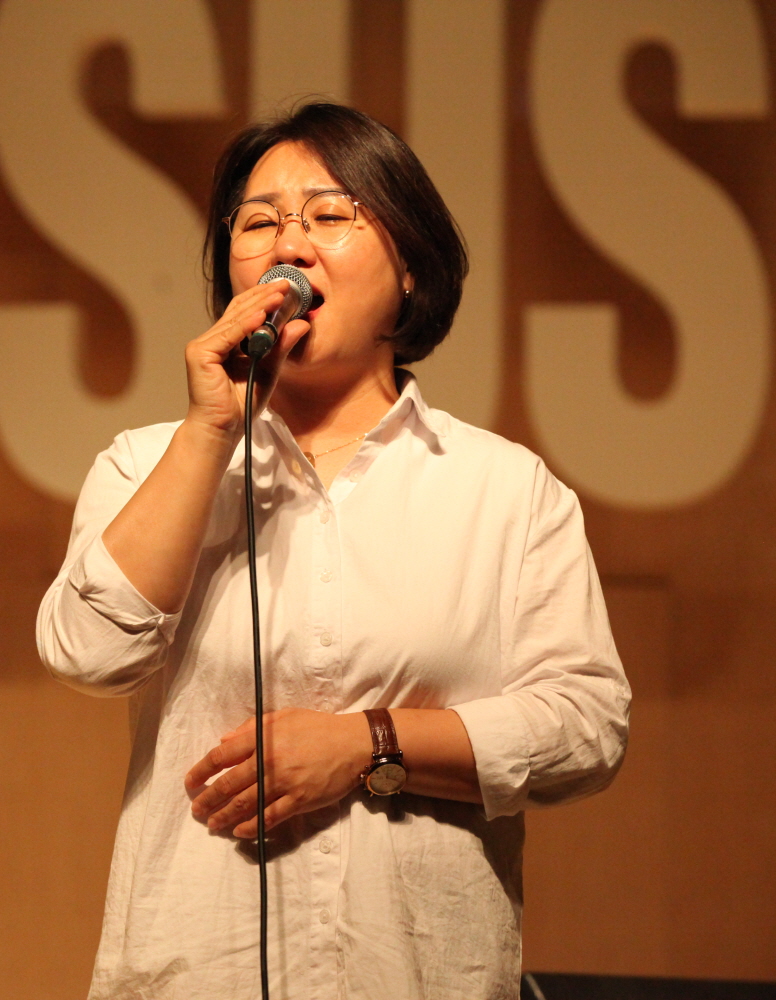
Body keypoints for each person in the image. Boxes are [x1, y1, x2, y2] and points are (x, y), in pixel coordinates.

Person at [37, 102, 630, 1000]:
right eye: (258, 223)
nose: (290, 244)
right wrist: (208, 432)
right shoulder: (144, 464)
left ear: (410, 266)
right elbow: (88, 653)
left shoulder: (505, 490)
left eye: (327, 215)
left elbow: (587, 727)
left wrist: (367, 745)